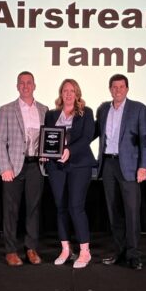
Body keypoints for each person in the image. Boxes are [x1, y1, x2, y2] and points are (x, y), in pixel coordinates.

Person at [95, 74, 146, 270]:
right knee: (114, 211)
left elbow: (145, 140)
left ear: (127, 89)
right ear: (110, 89)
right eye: (114, 87)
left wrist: (144, 166)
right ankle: (119, 251)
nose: (117, 90)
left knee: (132, 212)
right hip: (108, 165)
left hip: (130, 166)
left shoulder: (138, 109)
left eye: (121, 87)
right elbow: (94, 134)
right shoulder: (102, 110)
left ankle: (134, 255)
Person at [0, 71, 48, 266]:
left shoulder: (44, 109)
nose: (25, 86)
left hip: (36, 166)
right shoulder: (6, 109)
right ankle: (10, 250)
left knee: (33, 209)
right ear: (17, 86)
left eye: (29, 83)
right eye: (22, 83)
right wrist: (4, 167)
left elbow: (48, 138)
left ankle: (31, 249)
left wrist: (47, 153)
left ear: (34, 85)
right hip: (13, 167)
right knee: (10, 210)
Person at [45, 79, 96, 269]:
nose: (68, 94)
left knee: (76, 207)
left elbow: (87, 137)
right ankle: (65, 249)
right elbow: (47, 137)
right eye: (65, 90)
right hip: (56, 166)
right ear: (61, 93)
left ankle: (85, 251)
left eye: (72, 90)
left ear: (77, 93)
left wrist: (70, 150)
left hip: (79, 165)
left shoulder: (86, 112)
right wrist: (45, 153)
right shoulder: (51, 114)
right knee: (60, 207)